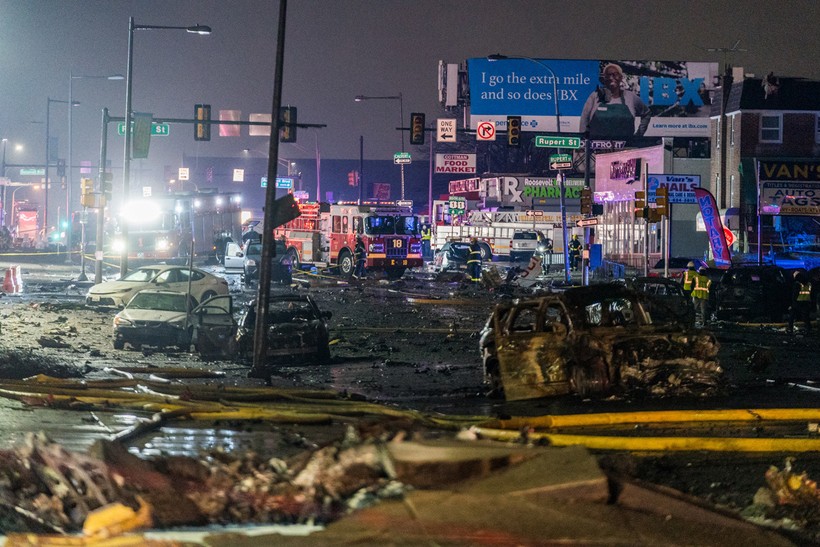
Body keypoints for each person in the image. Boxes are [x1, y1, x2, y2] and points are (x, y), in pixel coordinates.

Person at [579, 63, 651, 139]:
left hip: (626, 148)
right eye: (608, 75)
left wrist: (638, 136)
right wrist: (583, 141)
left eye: (615, 74)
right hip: (597, 147)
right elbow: (584, 121)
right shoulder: (594, 96)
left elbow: (647, 113)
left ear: (620, 77)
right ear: (604, 79)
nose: (611, 77)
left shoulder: (631, 97)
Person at [788, 270, 813, 334]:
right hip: (807, 301)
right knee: (806, 317)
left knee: (792, 316)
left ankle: (790, 329)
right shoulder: (809, 283)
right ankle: (809, 329)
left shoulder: (797, 284)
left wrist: (792, 304)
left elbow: (794, 295)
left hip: (798, 302)